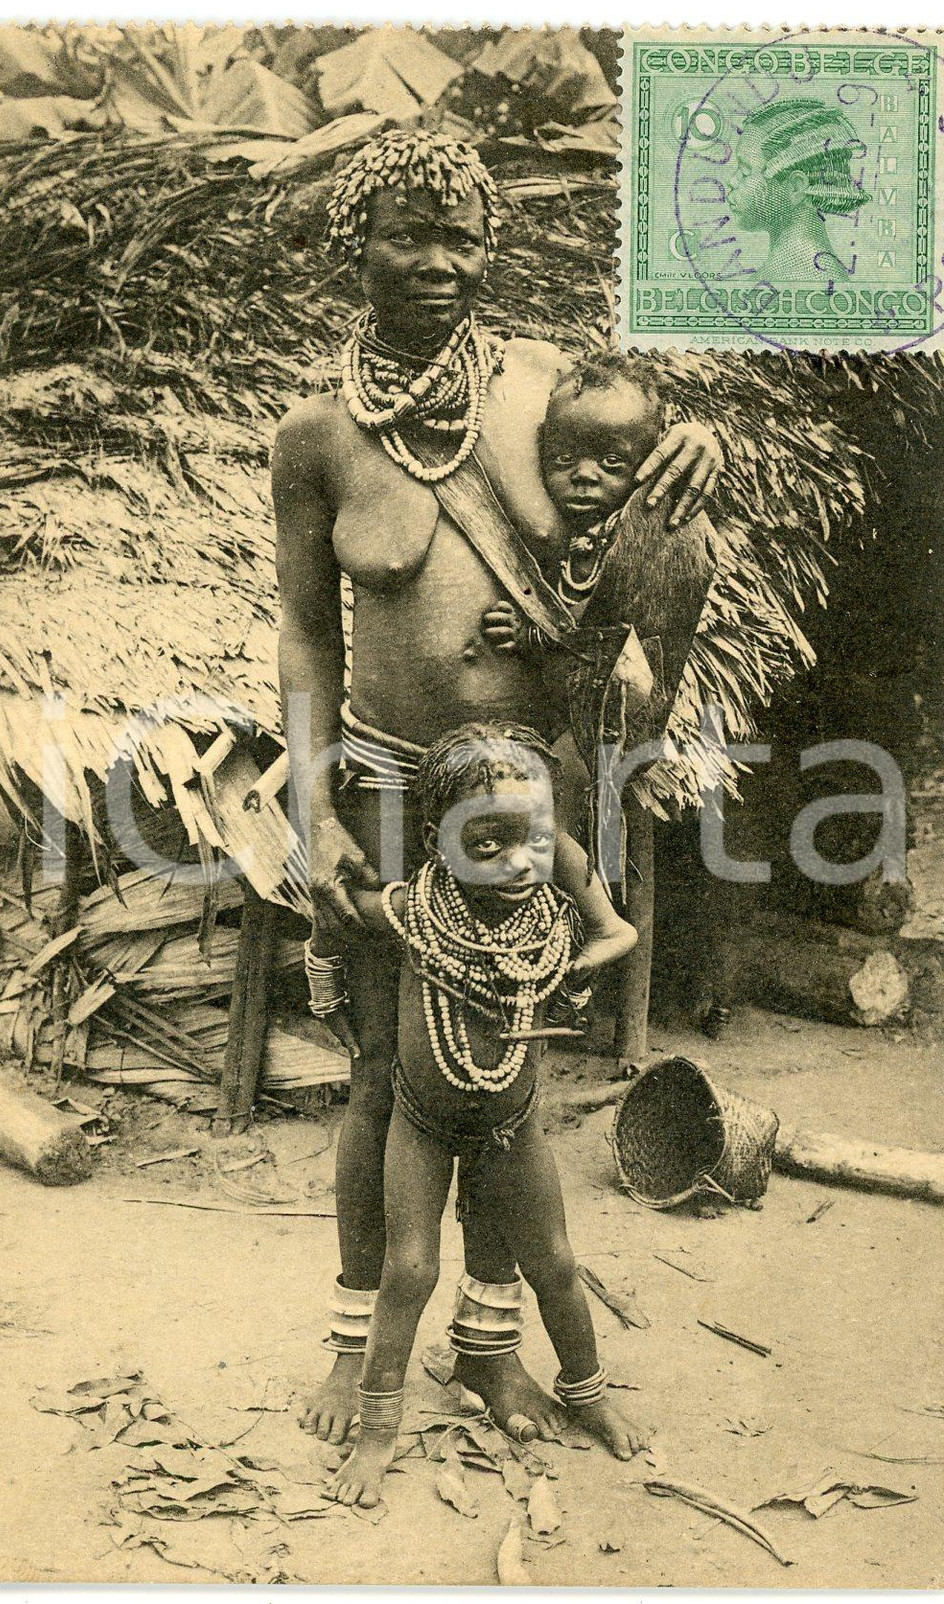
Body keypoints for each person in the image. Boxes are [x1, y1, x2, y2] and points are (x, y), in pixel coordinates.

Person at [275, 127, 724, 1446]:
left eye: (460, 240)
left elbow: (655, 510)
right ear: (352, 246)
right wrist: (308, 807)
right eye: (406, 239)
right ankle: (358, 1342)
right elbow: (305, 628)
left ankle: (488, 1346)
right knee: (382, 1078)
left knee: (508, 1089)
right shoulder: (313, 435)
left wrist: (694, 449)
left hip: (528, 800)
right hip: (385, 788)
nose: (436, 265)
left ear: (491, 249)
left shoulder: (543, 396)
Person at [306, 723, 642, 1508]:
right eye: (486, 845)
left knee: (555, 1263)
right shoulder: (413, 910)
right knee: (410, 1268)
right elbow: (330, 910)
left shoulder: (551, 912)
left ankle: (586, 1389)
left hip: (512, 1124)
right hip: (419, 1123)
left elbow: (616, 932)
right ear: (434, 840)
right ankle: (380, 1428)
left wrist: (569, 970)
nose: (519, 863)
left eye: (534, 841)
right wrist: (324, 984)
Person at [480, 350, 665, 654]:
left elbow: (609, 631)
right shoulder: (548, 522)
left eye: (611, 461)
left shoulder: (636, 536)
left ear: (647, 461)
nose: (584, 475)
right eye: (564, 459)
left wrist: (530, 637)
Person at [727, 98, 871, 282]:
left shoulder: (810, 276)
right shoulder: (784, 270)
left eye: (745, 172)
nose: (732, 181)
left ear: (796, 187)